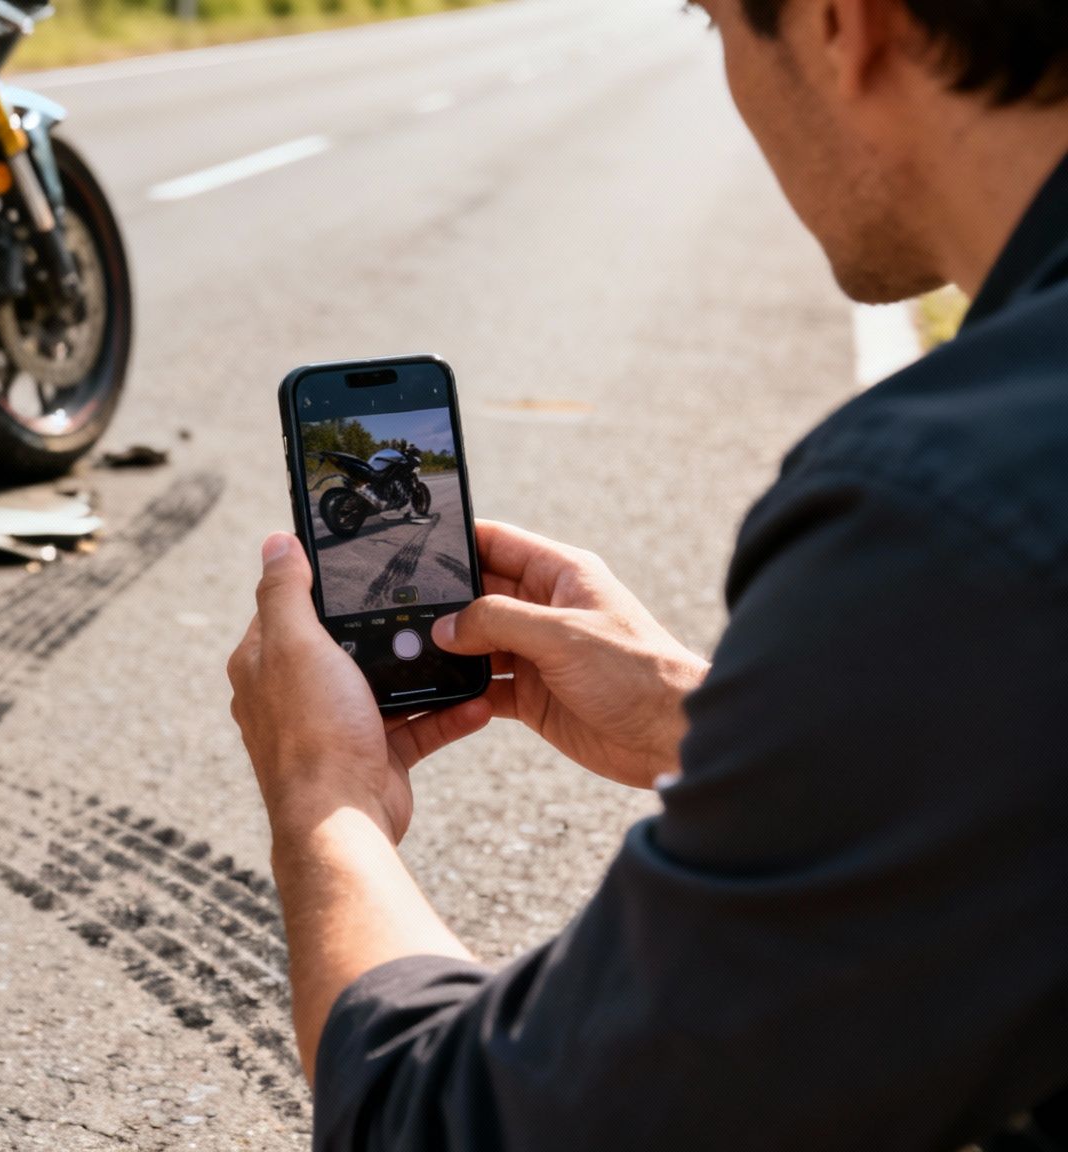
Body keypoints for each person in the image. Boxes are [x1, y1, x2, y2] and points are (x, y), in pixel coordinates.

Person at [225, 0, 1068, 1147]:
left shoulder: (945, 511)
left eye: (713, 21)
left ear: (839, 23)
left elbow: (458, 1126)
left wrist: (322, 801)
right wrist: (713, 719)